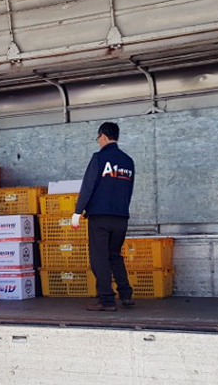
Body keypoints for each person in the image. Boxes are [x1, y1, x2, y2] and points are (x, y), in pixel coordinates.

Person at [72, 122, 135, 312]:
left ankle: (106, 300)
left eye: (98, 138)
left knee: (99, 258)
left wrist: (78, 211)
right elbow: (129, 190)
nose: (98, 141)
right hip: (121, 217)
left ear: (103, 136)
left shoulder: (99, 158)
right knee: (114, 255)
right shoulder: (128, 161)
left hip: (100, 217)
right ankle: (126, 295)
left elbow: (88, 185)